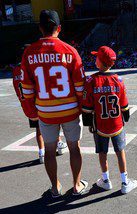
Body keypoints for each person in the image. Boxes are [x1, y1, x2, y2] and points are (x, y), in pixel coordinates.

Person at [20, 10, 88, 197]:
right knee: (74, 147)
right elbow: (80, 86)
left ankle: (55, 187)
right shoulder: (70, 51)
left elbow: (26, 88)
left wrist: (32, 112)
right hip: (70, 110)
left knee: (49, 151)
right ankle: (76, 185)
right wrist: (82, 108)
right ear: (59, 28)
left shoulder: (29, 52)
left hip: (46, 112)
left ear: (40, 28)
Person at [82, 46, 137, 194]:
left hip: (100, 124)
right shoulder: (118, 80)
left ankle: (106, 180)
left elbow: (87, 107)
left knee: (102, 153)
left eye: (96, 57)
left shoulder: (91, 80)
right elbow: (124, 105)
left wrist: (88, 123)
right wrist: (125, 117)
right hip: (117, 123)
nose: (95, 59)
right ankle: (125, 182)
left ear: (100, 61)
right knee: (120, 152)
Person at [12, 45, 67, 164]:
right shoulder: (29, 67)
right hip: (38, 102)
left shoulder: (16, 70)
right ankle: (58, 144)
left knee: (38, 128)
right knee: (53, 123)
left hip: (26, 105)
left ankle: (41, 152)